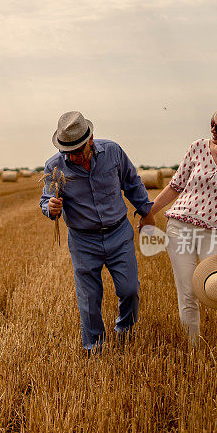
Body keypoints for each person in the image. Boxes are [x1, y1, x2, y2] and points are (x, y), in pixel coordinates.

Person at [139, 103, 217, 347]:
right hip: (179, 226)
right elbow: (175, 186)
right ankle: (194, 351)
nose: (213, 130)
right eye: (212, 124)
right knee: (188, 294)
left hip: (215, 232)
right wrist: (149, 212)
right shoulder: (198, 147)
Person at [40, 111, 153, 353]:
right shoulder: (55, 166)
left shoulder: (113, 151)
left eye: (77, 152)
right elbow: (47, 199)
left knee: (129, 289)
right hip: (83, 240)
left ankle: (124, 330)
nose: (73, 158)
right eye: (67, 152)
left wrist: (146, 212)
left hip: (118, 233)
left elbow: (132, 182)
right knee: (89, 300)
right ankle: (94, 347)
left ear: (90, 139)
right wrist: (50, 207)